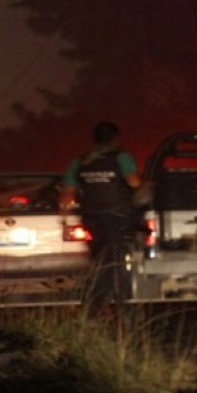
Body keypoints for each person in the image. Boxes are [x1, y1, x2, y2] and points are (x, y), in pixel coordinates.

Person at [61, 121, 141, 316]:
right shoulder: (121, 158)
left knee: (100, 260)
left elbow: (67, 196)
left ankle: (97, 308)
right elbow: (134, 183)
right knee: (115, 263)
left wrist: (65, 218)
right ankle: (114, 307)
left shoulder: (80, 162)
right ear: (115, 139)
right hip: (118, 218)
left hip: (92, 220)